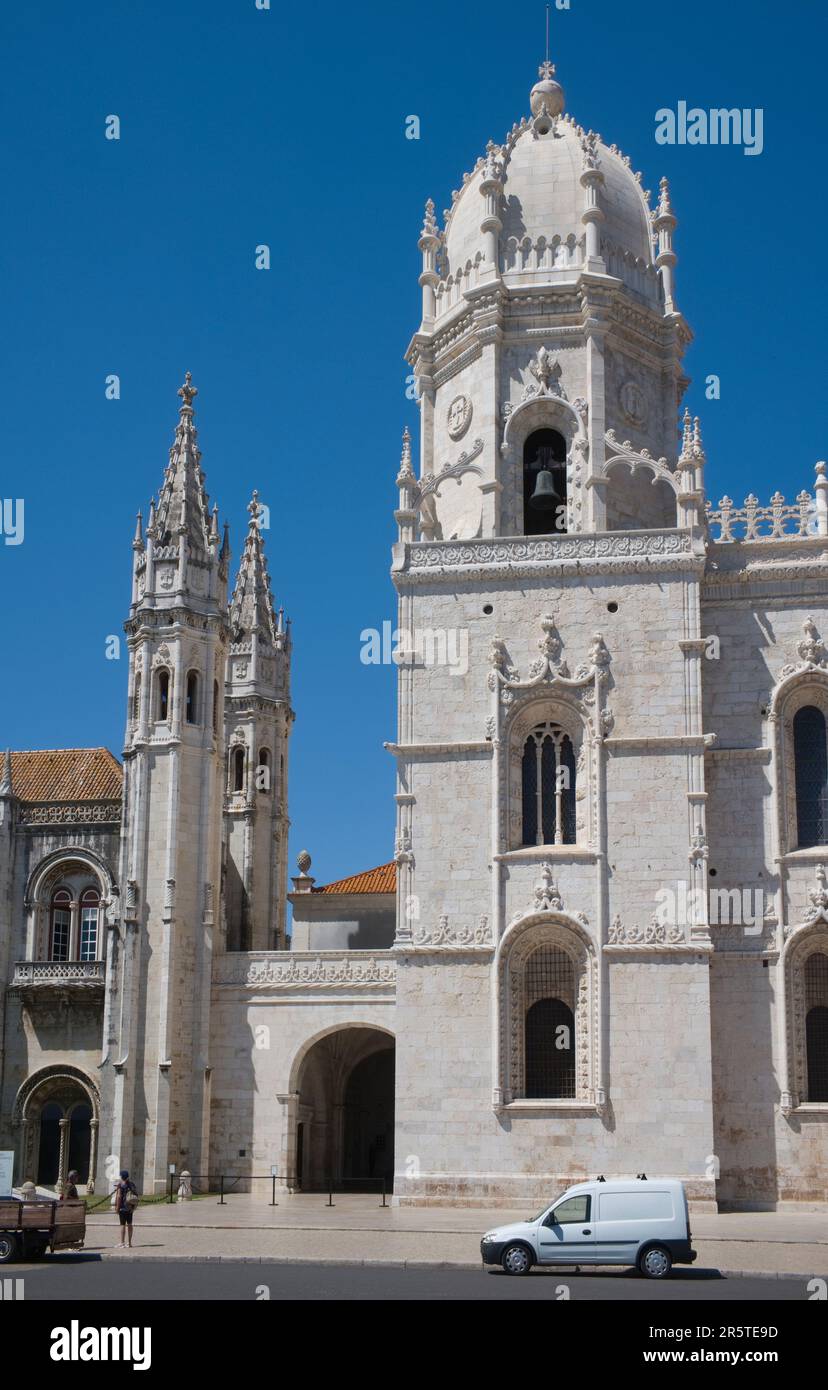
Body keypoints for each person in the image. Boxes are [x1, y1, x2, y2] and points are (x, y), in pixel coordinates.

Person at [114, 1169, 138, 1248]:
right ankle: (129, 1243)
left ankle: (122, 1243)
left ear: (121, 1177)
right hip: (130, 1207)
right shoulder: (132, 1184)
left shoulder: (121, 1185)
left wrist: (117, 1207)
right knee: (130, 1224)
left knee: (122, 1225)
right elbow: (136, 1195)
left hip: (123, 1208)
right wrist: (133, 1207)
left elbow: (119, 1196)